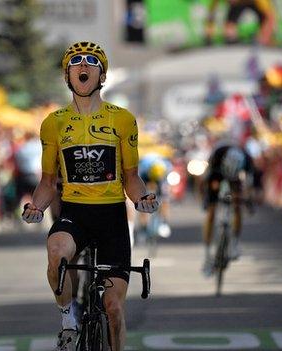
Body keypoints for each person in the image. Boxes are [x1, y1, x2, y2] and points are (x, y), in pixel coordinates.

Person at [21, 41, 159, 351]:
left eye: (91, 62)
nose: (83, 66)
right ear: (67, 75)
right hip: (75, 214)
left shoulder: (122, 119)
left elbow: (131, 178)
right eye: (76, 62)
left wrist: (142, 199)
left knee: (113, 308)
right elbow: (48, 181)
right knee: (56, 250)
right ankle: (68, 316)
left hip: (111, 217)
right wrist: (37, 206)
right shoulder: (53, 123)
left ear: (102, 75)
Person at [201, 143, 254, 277]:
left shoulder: (247, 159)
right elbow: (207, 181)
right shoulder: (217, 156)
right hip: (217, 173)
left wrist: (246, 200)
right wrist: (207, 199)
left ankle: (235, 242)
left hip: (236, 177)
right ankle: (207, 253)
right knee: (211, 211)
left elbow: (249, 185)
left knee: (237, 205)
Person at [138, 153, 173, 240]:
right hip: (146, 175)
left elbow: (168, 185)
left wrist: (165, 193)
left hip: (161, 176)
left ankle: (164, 223)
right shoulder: (143, 168)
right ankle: (143, 227)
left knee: (165, 198)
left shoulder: (167, 167)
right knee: (142, 201)